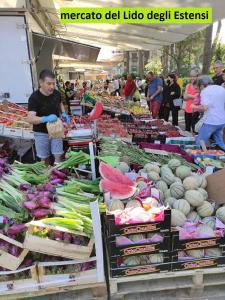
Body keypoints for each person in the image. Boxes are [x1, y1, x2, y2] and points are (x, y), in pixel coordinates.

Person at [27, 70, 70, 165]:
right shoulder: (34, 98)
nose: (52, 87)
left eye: (54, 83)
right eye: (49, 83)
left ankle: (57, 174)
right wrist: (46, 118)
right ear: (41, 82)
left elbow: (60, 103)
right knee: (44, 158)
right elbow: (30, 119)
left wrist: (63, 113)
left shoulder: (56, 93)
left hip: (56, 130)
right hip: (41, 132)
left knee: (58, 155)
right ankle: (47, 176)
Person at [190, 75, 225, 150]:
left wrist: (194, 107)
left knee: (200, 143)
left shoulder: (205, 91)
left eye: (198, 87)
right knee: (220, 142)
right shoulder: (221, 88)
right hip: (221, 121)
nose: (197, 90)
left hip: (210, 121)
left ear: (202, 85)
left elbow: (204, 108)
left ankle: (198, 159)